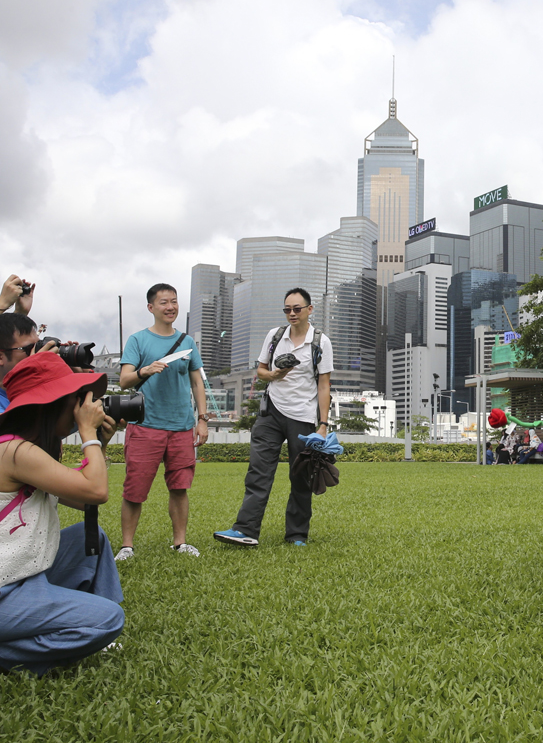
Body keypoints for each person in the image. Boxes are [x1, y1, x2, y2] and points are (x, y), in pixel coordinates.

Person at [0, 353, 124, 675]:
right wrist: (88, 435)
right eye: (75, 399)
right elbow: (96, 491)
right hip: (4, 591)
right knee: (108, 619)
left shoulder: (29, 450)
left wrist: (99, 444)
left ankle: (89, 625)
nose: (80, 407)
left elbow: (85, 501)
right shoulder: (14, 452)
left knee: (90, 539)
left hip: (22, 576)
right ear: (49, 404)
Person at [215, 287, 333, 547]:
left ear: (309, 309)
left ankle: (297, 534)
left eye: (297, 309)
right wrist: (274, 375)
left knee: (300, 476)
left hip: (303, 416)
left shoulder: (320, 341)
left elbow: (324, 385)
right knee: (258, 472)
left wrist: (323, 425)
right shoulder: (275, 335)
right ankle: (245, 530)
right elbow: (261, 370)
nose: (292, 313)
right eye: (287, 309)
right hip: (271, 413)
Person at [117, 284, 208, 560]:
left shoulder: (187, 342)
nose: (170, 307)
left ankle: (180, 543)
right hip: (145, 426)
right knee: (135, 489)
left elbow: (197, 382)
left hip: (181, 427)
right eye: (164, 302)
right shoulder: (138, 340)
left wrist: (202, 419)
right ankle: (127, 546)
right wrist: (144, 371)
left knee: (180, 487)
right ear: (151, 307)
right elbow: (124, 380)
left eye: (174, 301)